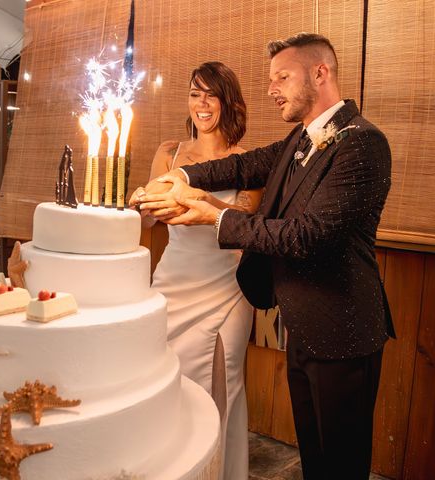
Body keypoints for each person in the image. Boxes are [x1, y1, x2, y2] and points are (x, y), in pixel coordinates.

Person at [132, 33, 395, 480]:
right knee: (316, 457)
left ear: (320, 73)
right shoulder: (301, 139)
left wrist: (213, 218)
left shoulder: (363, 143)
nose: (272, 88)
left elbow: (306, 236)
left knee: (342, 464)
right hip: (305, 327)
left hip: (342, 330)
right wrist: (179, 174)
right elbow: (239, 166)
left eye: (282, 77)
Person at [130, 61, 263, 480]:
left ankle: (219, 471)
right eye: (194, 93)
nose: (201, 104)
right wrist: (141, 205)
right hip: (172, 281)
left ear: (228, 102)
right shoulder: (168, 153)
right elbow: (151, 221)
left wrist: (200, 201)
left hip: (227, 288)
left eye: (211, 95)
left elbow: (246, 222)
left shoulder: (248, 161)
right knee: (164, 381)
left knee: (222, 384)